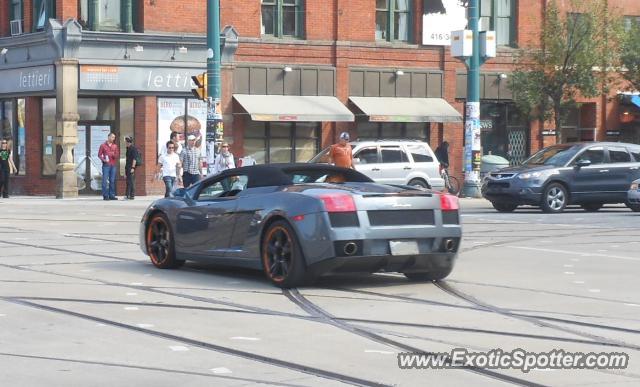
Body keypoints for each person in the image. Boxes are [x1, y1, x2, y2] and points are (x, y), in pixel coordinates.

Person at [98, 132, 120, 201]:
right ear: (108, 137)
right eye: (112, 137)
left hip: (113, 165)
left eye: (114, 137)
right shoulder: (103, 145)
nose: (113, 139)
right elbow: (99, 154)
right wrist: (103, 160)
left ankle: (112, 195)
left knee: (112, 181)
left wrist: (113, 155)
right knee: (104, 180)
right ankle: (105, 195)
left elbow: (117, 155)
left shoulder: (115, 146)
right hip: (106, 165)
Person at [124, 136, 140, 200]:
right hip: (127, 167)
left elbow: (134, 159)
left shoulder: (133, 149)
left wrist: (133, 168)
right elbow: (127, 160)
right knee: (128, 181)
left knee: (131, 181)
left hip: (131, 167)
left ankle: (131, 195)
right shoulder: (128, 148)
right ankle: (128, 195)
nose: (125, 143)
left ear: (128, 142)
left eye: (126, 142)